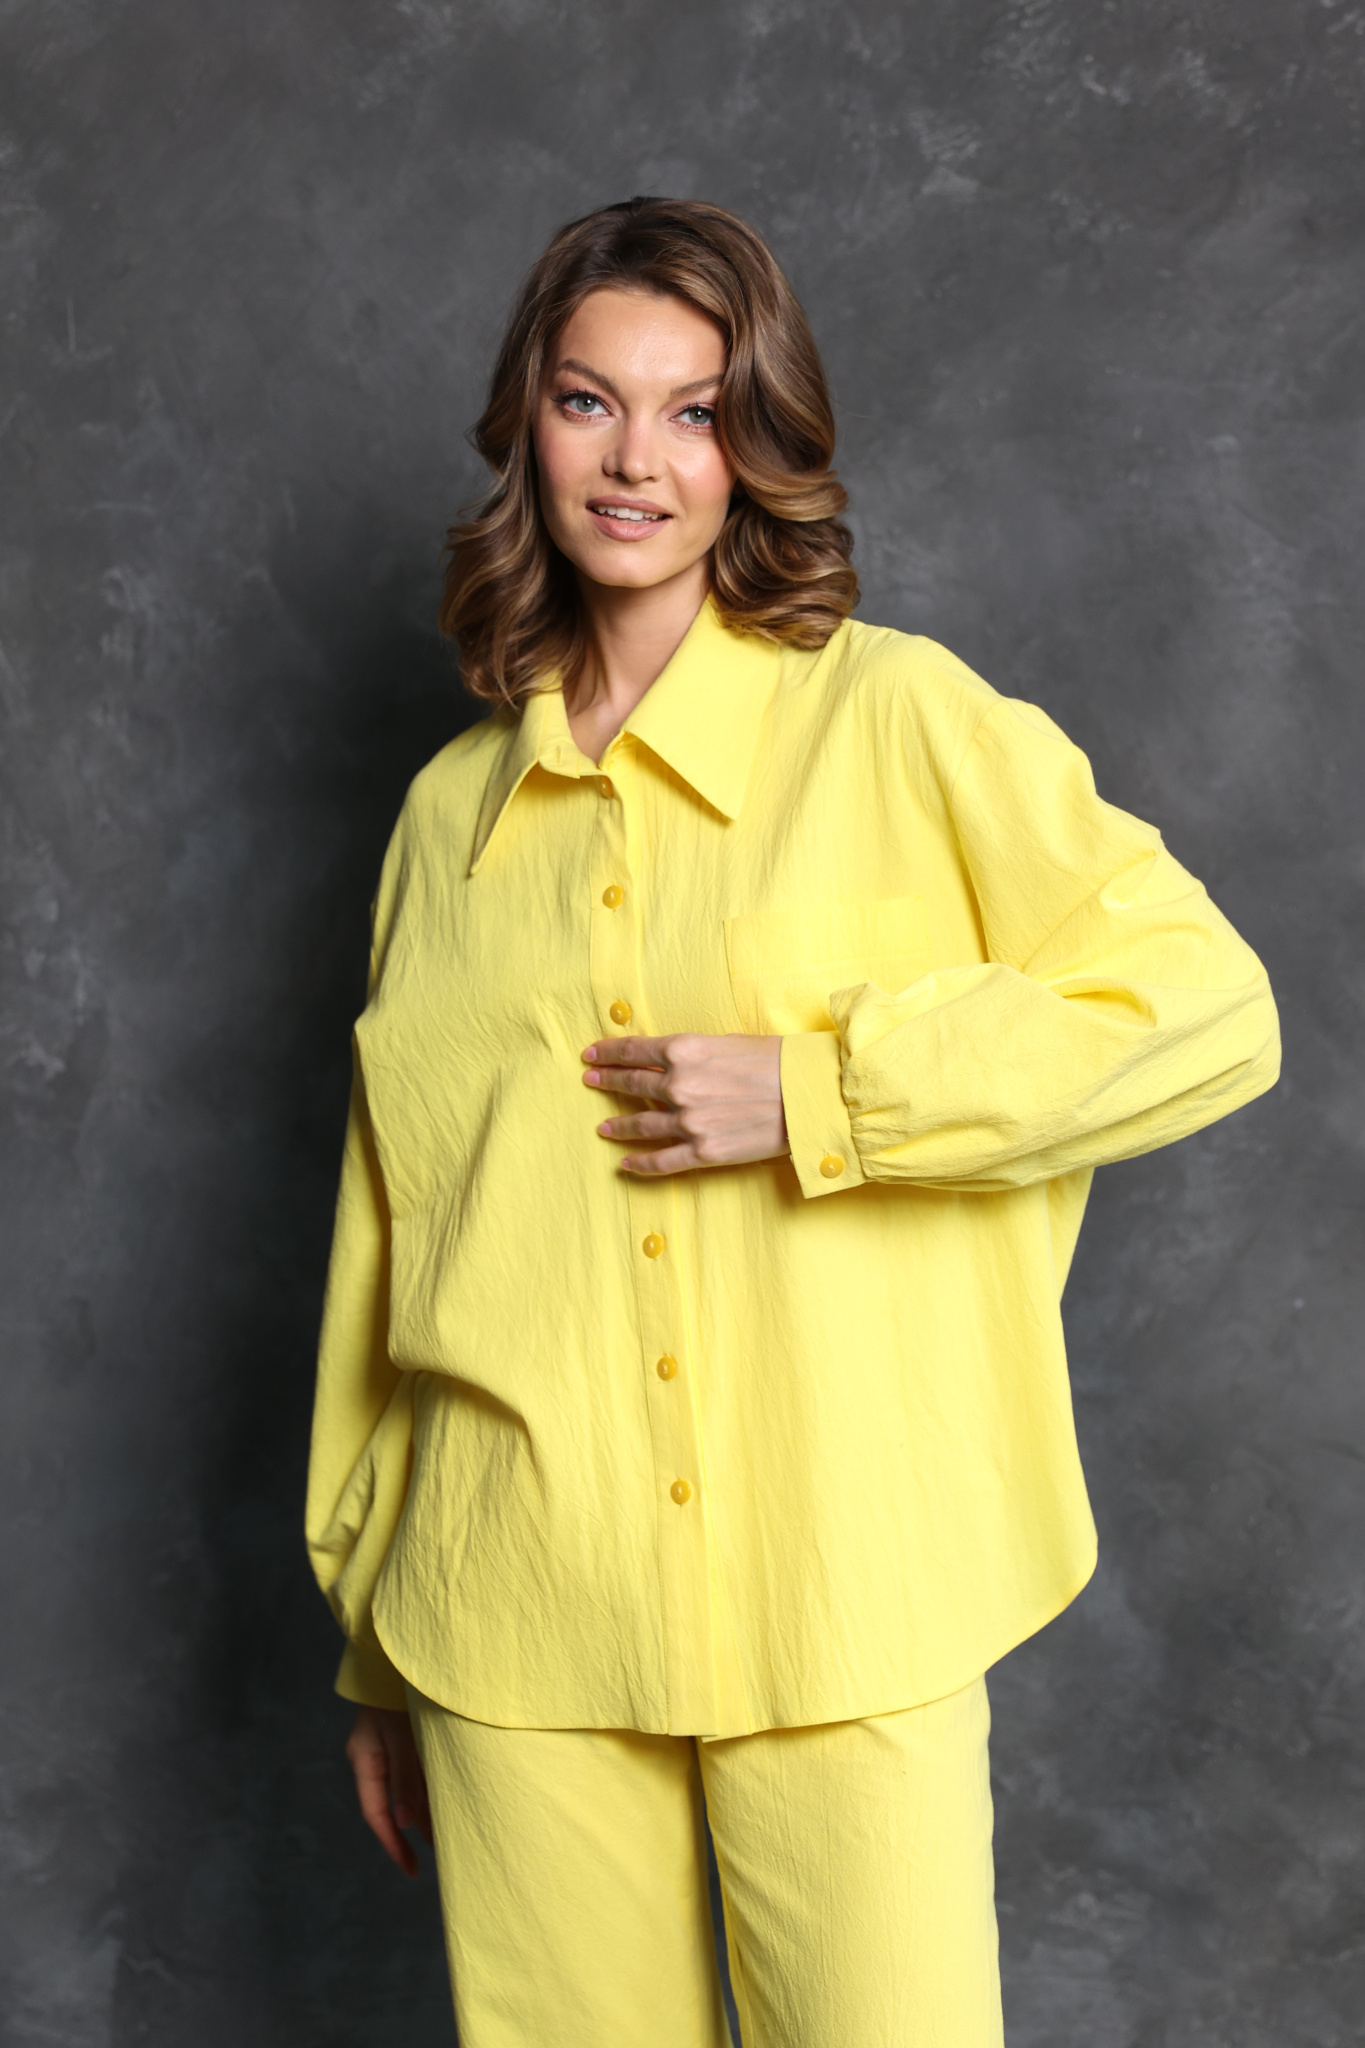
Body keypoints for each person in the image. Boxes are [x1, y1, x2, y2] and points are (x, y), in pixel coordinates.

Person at [305, 196, 1279, 2048]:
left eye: (692, 411)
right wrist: (373, 1640)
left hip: (846, 1587)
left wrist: (828, 1089)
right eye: (589, 402)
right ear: (526, 426)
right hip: (513, 1607)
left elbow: (1202, 1010)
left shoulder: (901, 721)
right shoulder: (445, 820)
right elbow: (395, 1235)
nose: (635, 460)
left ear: (755, 443)